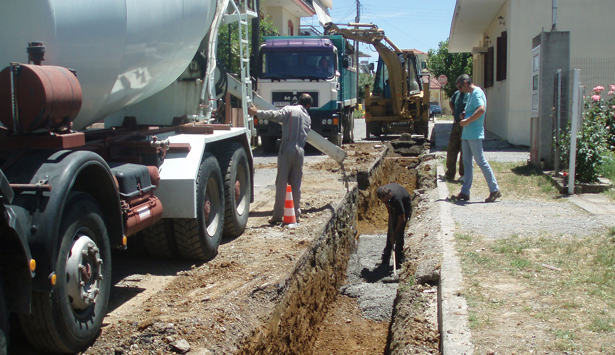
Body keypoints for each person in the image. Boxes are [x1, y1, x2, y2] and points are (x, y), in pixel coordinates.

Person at [248, 93, 312, 224]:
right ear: (308, 105)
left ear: (298, 101)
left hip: (287, 148)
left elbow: (275, 115)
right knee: (296, 183)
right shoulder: (307, 117)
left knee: (282, 182)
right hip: (300, 151)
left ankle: (278, 215)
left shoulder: (290, 110)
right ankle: (296, 213)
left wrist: (257, 113)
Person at [454, 74, 502, 203]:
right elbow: (473, 110)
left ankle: (494, 189)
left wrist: (467, 120)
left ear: (465, 82)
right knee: (467, 163)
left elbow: (481, 109)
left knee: (480, 161)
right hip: (467, 133)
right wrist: (464, 115)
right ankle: (465, 192)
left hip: (474, 133)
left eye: (459, 86)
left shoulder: (477, 93)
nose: (459, 90)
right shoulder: (470, 95)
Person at [376, 183, 411, 269]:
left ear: (390, 194)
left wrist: (394, 234)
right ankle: (385, 260)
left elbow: (402, 219)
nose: (387, 202)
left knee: (398, 236)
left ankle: (398, 262)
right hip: (394, 206)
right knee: (389, 233)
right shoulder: (379, 191)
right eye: (385, 201)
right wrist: (389, 209)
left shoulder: (396, 199)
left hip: (405, 206)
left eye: (388, 200)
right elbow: (386, 202)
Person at [445, 89, 467, 181]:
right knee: (451, 149)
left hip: (464, 125)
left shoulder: (469, 94)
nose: (458, 87)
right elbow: (451, 102)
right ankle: (450, 173)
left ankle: (463, 174)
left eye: (460, 85)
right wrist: (454, 111)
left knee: (464, 150)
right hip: (456, 124)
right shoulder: (457, 93)